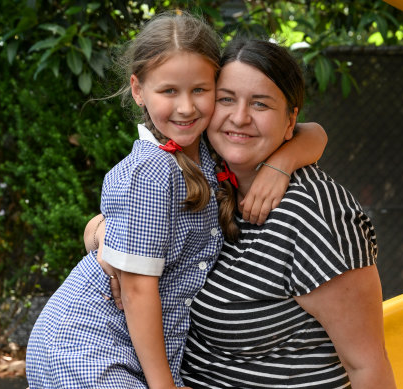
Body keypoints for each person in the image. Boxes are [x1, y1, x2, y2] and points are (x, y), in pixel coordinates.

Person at [26, 12, 327, 389]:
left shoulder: (205, 149)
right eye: (169, 91)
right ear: (138, 90)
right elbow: (137, 290)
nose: (186, 107)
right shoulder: (151, 170)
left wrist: (281, 164)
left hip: (124, 348)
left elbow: (313, 132)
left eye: (200, 90)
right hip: (86, 346)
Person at [88, 38, 396, 388]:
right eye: (226, 99)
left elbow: (368, 367)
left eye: (261, 104)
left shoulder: (316, 216)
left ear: (289, 119)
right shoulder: (205, 169)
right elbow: (119, 219)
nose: (239, 117)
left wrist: (282, 165)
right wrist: (104, 239)